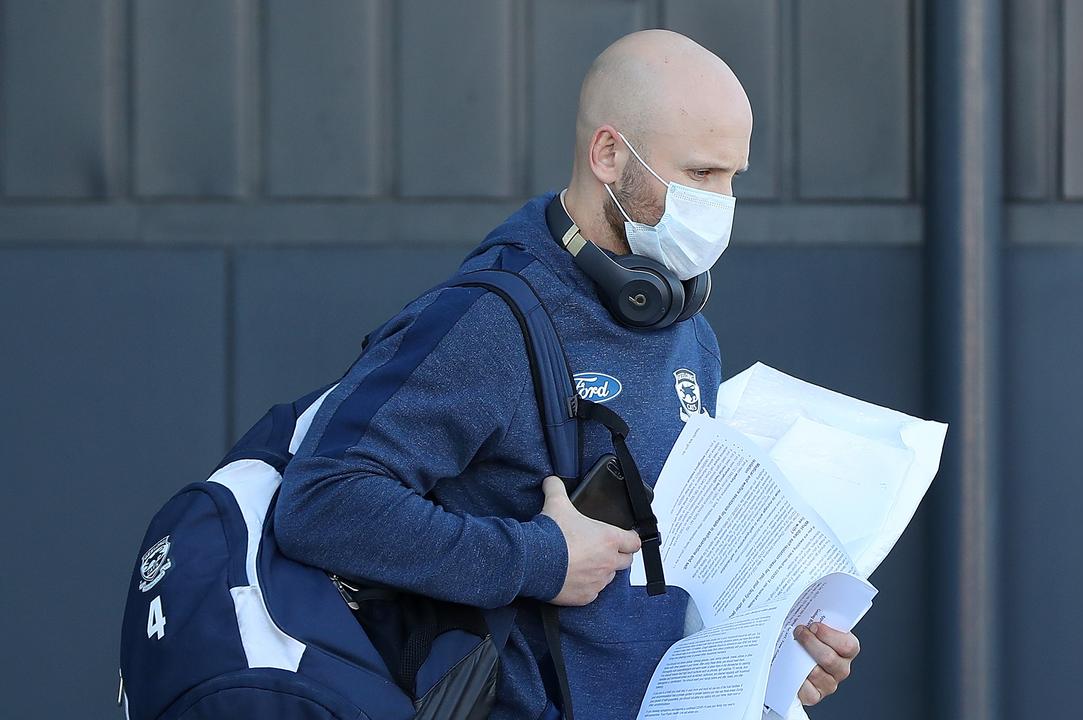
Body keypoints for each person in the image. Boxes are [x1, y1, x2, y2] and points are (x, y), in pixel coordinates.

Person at [276, 29, 859, 719]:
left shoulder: (687, 332)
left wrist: (773, 660)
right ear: (609, 153)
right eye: (702, 174)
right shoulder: (488, 323)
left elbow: (669, 576)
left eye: (734, 176)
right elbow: (323, 502)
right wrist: (540, 559)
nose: (722, 204)